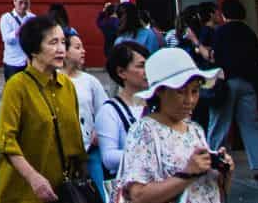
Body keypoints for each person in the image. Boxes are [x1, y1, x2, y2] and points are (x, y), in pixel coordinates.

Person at [114, 47, 231, 203]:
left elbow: (212, 192)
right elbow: (137, 195)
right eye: (180, 92)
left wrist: (224, 172)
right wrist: (187, 174)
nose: (189, 100)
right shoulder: (145, 131)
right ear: (159, 92)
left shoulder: (195, 130)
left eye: (195, 91)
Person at [0, 15, 85, 203]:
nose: (61, 49)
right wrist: (32, 177)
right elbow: (6, 141)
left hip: (63, 191)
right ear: (34, 50)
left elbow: (75, 139)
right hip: (25, 192)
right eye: (53, 42)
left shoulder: (67, 86)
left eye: (63, 42)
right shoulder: (17, 86)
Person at [205, 0, 258, 180]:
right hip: (248, 83)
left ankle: (212, 162)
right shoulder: (249, 32)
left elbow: (214, 57)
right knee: (251, 125)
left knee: (219, 125)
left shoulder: (221, 32)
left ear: (224, 15)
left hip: (227, 82)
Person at [94, 41, 148, 189]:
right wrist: (148, 154)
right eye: (141, 66)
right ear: (121, 72)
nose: (147, 71)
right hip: (129, 189)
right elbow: (109, 158)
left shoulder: (159, 104)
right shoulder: (110, 111)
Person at [62, 30, 105, 199]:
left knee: (98, 193)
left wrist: (98, 130)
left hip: (89, 150)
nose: (83, 51)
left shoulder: (90, 81)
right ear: (65, 51)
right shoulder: (52, 79)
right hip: (62, 154)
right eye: (78, 47)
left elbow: (104, 110)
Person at [0, 0, 34, 82]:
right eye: (20, 2)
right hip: (13, 63)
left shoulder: (32, 17)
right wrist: (20, 29)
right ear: (14, 1)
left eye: (26, 3)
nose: (23, 6)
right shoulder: (6, 18)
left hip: (29, 62)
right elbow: (7, 39)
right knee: (13, 89)